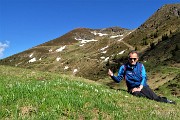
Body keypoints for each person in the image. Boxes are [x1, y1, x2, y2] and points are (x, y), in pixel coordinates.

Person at [108, 50, 176, 104]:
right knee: (139, 96)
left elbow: (144, 77)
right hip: (132, 88)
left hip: (142, 86)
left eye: (134, 59)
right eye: (130, 59)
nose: (132, 60)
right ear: (128, 58)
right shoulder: (123, 67)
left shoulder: (141, 66)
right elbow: (118, 80)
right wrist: (112, 75)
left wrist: (140, 87)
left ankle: (167, 101)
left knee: (154, 98)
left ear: (137, 59)